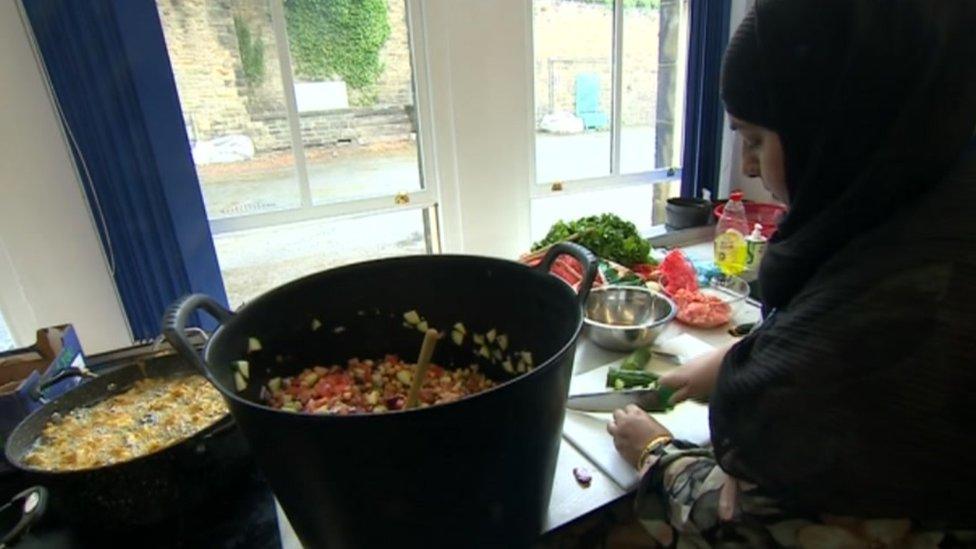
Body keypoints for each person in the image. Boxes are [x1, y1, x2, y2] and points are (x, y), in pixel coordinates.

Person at [608, 0, 976, 546]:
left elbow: (749, 530)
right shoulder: (927, 202)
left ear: (842, 126)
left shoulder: (877, 337)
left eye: (755, 139)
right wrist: (739, 359)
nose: (749, 166)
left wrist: (654, 453)